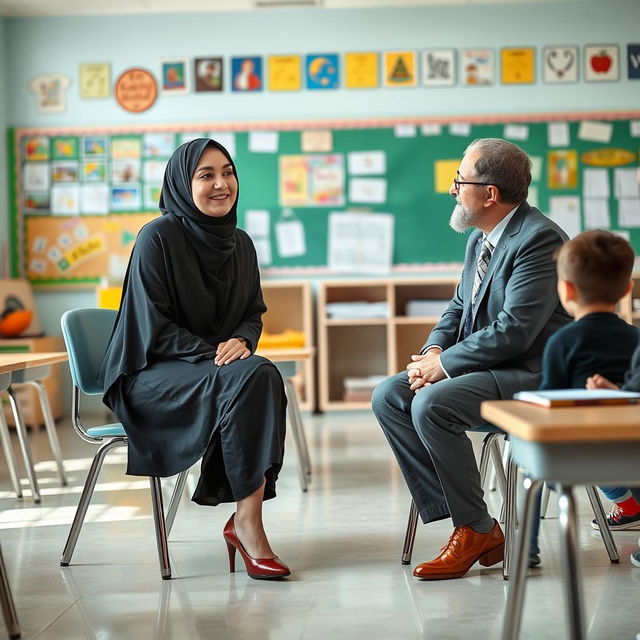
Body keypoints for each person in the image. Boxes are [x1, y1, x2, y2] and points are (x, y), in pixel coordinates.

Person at [372, 138, 570, 580]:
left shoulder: (539, 240)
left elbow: (515, 331)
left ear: (489, 194)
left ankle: (473, 527)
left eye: (459, 181)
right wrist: (434, 350)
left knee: (431, 403)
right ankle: (474, 520)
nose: (453, 189)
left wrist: (442, 369)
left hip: (530, 375)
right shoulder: (482, 238)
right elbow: (458, 308)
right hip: (487, 368)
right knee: (389, 394)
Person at [98, 138, 290, 580]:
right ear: (183, 185)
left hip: (212, 372)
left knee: (257, 373)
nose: (221, 183)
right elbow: (155, 327)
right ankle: (246, 525)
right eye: (206, 175)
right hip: (149, 372)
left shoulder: (240, 243)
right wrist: (217, 354)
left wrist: (241, 340)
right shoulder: (157, 237)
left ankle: (246, 519)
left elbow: (251, 314)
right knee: (253, 376)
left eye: (228, 172)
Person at [527, 230, 639, 566]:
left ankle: (528, 550)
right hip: (633, 450)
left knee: (530, 468)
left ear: (566, 290)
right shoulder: (636, 337)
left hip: (578, 454)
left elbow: (548, 403)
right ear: (627, 289)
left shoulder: (562, 341)